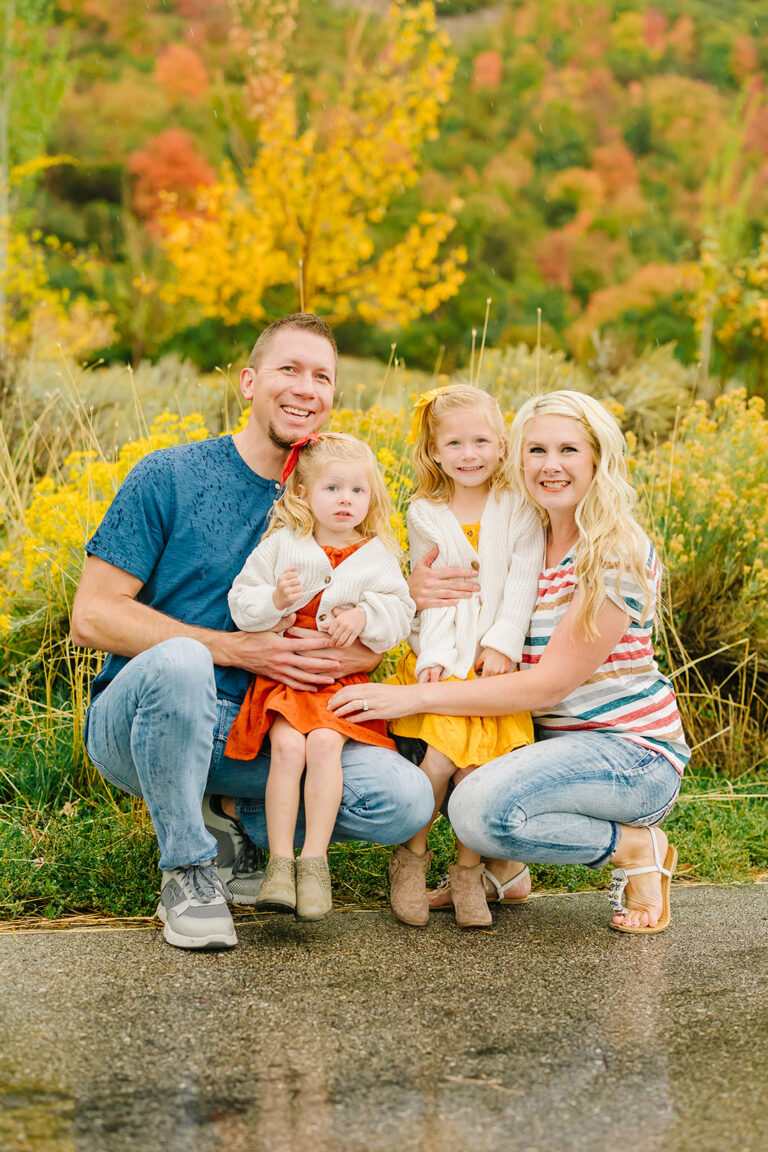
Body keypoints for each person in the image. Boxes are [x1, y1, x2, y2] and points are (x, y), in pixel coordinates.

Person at [70, 313, 434, 951]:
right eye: (288, 369)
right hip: (146, 722)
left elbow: (374, 602)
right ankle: (187, 868)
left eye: (322, 376)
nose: (305, 388)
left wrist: (375, 629)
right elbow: (92, 616)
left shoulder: (341, 494)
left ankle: (242, 829)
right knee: (183, 660)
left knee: (402, 800)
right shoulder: (170, 475)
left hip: (269, 725)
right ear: (248, 382)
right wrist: (235, 647)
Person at [331, 390, 690, 935]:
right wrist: (416, 593)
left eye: (568, 450)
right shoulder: (520, 531)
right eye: (537, 450)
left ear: (598, 459)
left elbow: (547, 686)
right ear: (516, 457)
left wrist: (414, 696)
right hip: (547, 742)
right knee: (453, 748)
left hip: (628, 754)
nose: (550, 465)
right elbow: (453, 610)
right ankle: (505, 872)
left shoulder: (610, 550)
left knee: (478, 809)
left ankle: (637, 847)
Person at [224, 432, 415, 921]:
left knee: (326, 747)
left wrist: (367, 617)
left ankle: (314, 863)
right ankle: (279, 865)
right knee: (288, 749)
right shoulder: (283, 545)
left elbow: (400, 612)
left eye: (358, 491)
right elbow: (242, 603)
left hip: (337, 681)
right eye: (333, 489)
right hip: (287, 678)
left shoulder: (376, 554)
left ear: (371, 498)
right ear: (304, 494)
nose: (346, 500)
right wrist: (275, 601)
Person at [386, 385, 542, 929]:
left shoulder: (518, 505)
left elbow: (522, 581)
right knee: (437, 763)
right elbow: (437, 598)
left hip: (495, 663)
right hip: (448, 660)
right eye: (453, 443)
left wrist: (500, 644)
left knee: (477, 771)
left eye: (480, 441)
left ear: (502, 445)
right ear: (433, 450)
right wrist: (433, 654)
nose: (468, 454)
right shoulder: (425, 511)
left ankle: (468, 870)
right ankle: (410, 860)